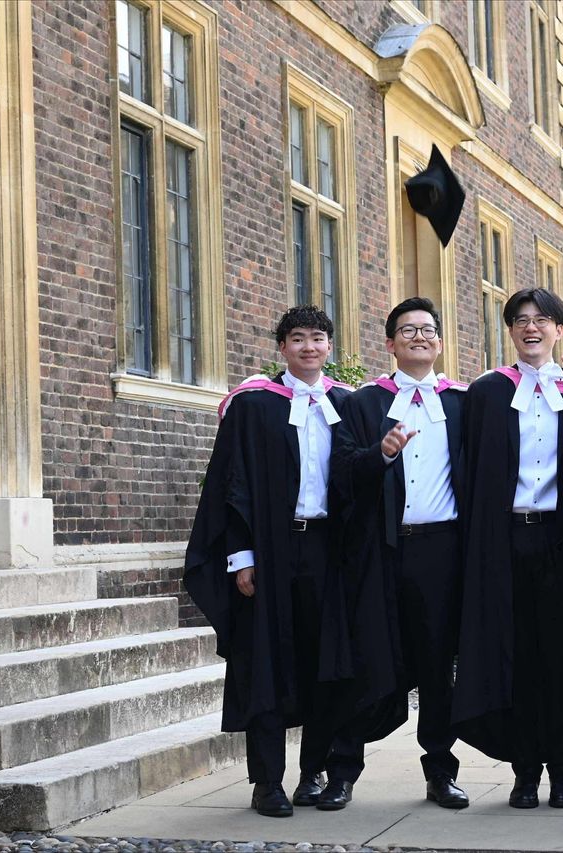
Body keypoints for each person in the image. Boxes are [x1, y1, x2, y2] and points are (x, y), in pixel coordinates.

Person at [183, 306, 355, 818]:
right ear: (281, 347)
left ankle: (313, 774)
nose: (308, 347)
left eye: (318, 338)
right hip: (271, 550)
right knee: (265, 663)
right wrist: (241, 556)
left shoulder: (345, 403)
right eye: (297, 338)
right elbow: (232, 485)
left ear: (330, 348)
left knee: (326, 663)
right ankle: (267, 782)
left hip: (328, 549)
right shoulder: (254, 405)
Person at [317, 297, 470, 811]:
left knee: (436, 666)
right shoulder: (363, 404)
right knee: (367, 659)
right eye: (407, 331)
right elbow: (338, 472)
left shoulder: (461, 405)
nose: (419, 337)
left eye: (428, 330)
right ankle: (342, 771)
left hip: (442, 551)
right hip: (381, 551)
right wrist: (379, 455)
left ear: (440, 342)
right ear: (389, 343)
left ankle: (440, 772)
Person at [453, 287, 563, 810]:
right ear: (511, 331)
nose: (531, 328)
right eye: (520, 320)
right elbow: (468, 470)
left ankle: (562, 769)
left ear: (560, 329)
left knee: (559, 657)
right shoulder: (489, 392)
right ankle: (524, 771)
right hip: (506, 538)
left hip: (562, 544)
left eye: (542, 319)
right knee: (515, 654)